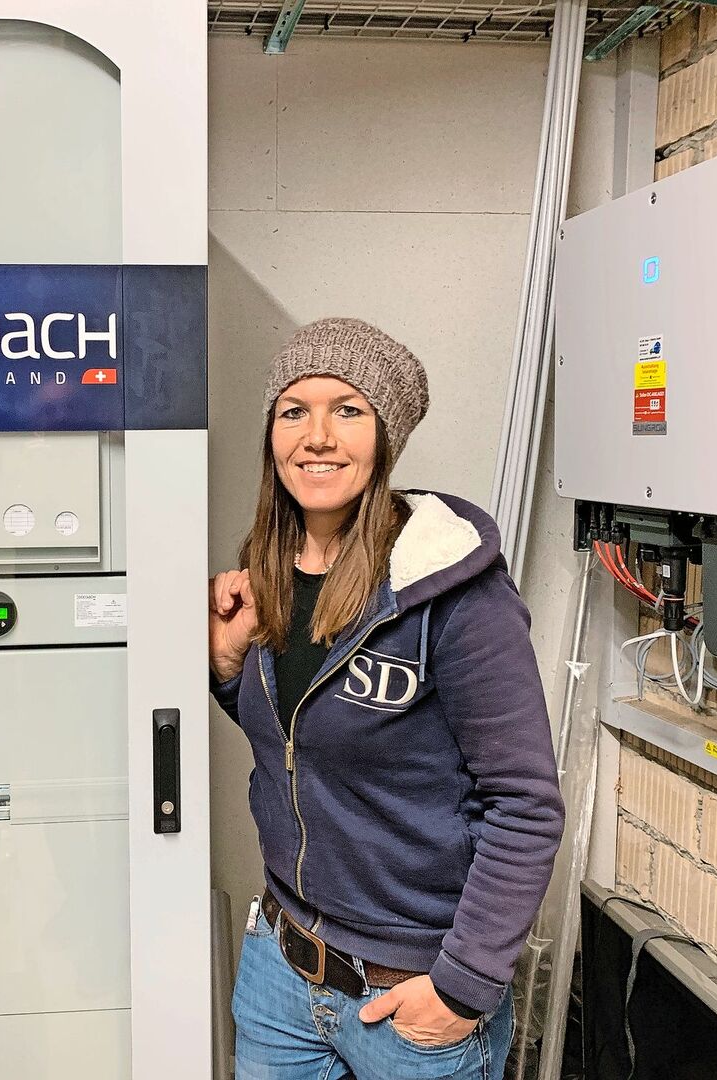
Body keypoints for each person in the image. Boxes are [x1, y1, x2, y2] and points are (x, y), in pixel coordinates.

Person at [209, 318, 564, 1080]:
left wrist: (462, 987)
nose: (317, 436)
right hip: (280, 972)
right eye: (294, 411)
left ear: (386, 435)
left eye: (348, 410)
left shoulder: (451, 594)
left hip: (408, 997)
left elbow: (526, 805)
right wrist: (230, 670)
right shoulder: (267, 571)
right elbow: (303, 750)